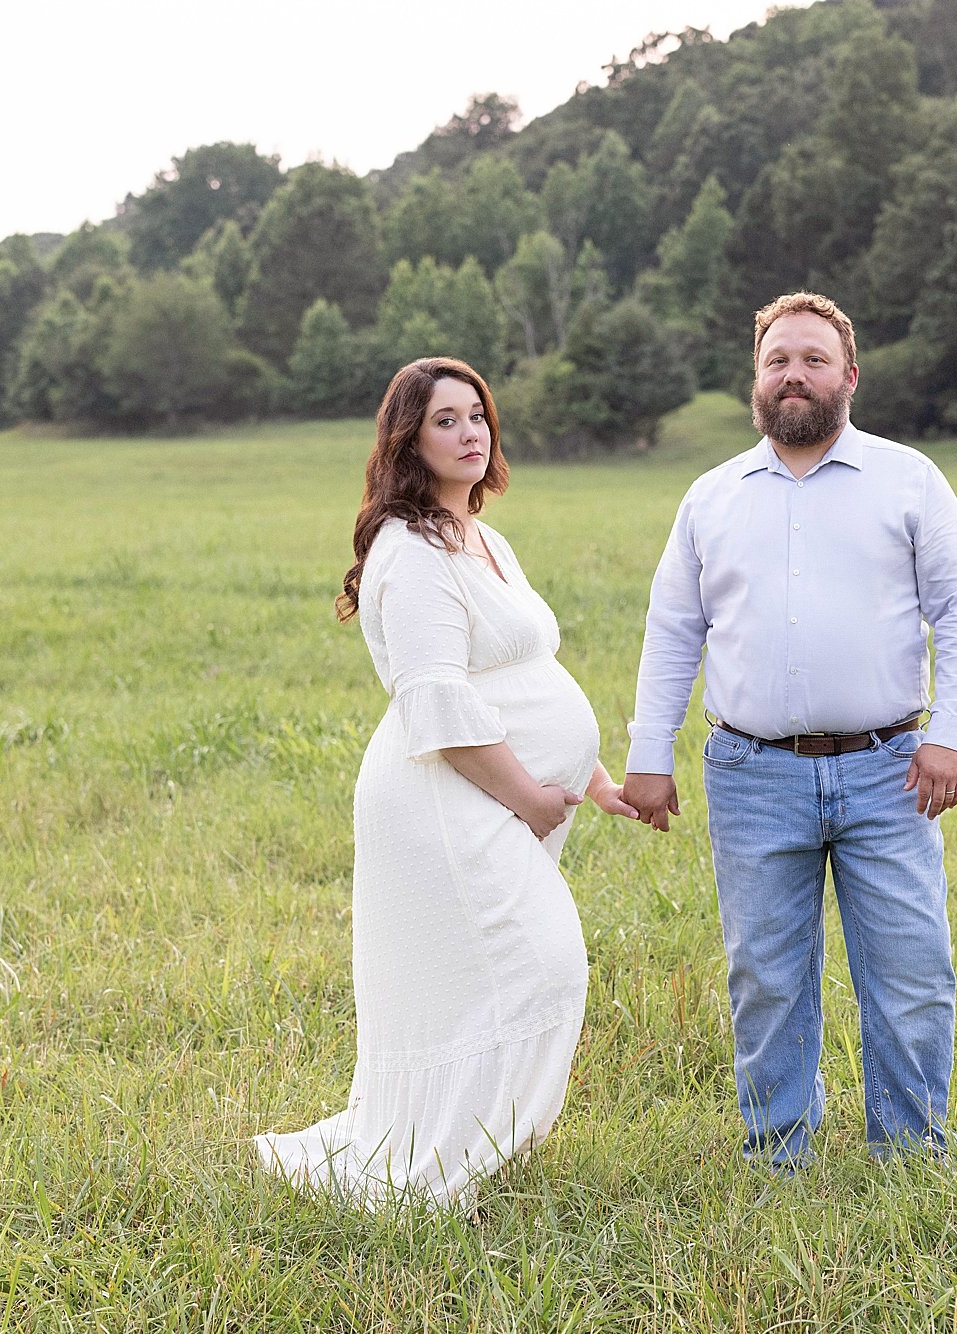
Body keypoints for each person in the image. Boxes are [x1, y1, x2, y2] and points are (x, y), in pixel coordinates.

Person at [254, 356, 638, 1209]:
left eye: (477, 415)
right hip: (442, 798)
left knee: (490, 978)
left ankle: (468, 1149)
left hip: (490, 795)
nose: (471, 433)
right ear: (409, 441)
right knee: (537, 965)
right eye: (445, 421)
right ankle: (432, 1172)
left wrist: (595, 778)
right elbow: (434, 697)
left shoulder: (483, 538)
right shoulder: (413, 549)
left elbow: (525, 673)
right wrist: (529, 796)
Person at [620, 293, 957, 1168]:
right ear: (755, 378)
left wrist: (951, 731)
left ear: (849, 375)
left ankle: (912, 1151)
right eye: (777, 360)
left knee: (910, 971)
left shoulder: (909, 480)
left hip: (890, 768)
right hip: (752, 772)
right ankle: (778, 1151)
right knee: (766, 978)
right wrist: (647, 753)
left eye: (814, 360)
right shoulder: (712, 497)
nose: (794, 375)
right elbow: (673, 631)